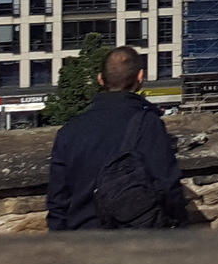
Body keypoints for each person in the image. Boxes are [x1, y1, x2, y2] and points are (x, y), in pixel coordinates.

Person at [47, 46, 199, 230]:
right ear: (140, 78)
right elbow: (168, 186)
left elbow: (57, 202)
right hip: (134, 240)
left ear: (100, 79)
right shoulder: (148, 124)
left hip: (82, 241)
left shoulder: (68, 131)